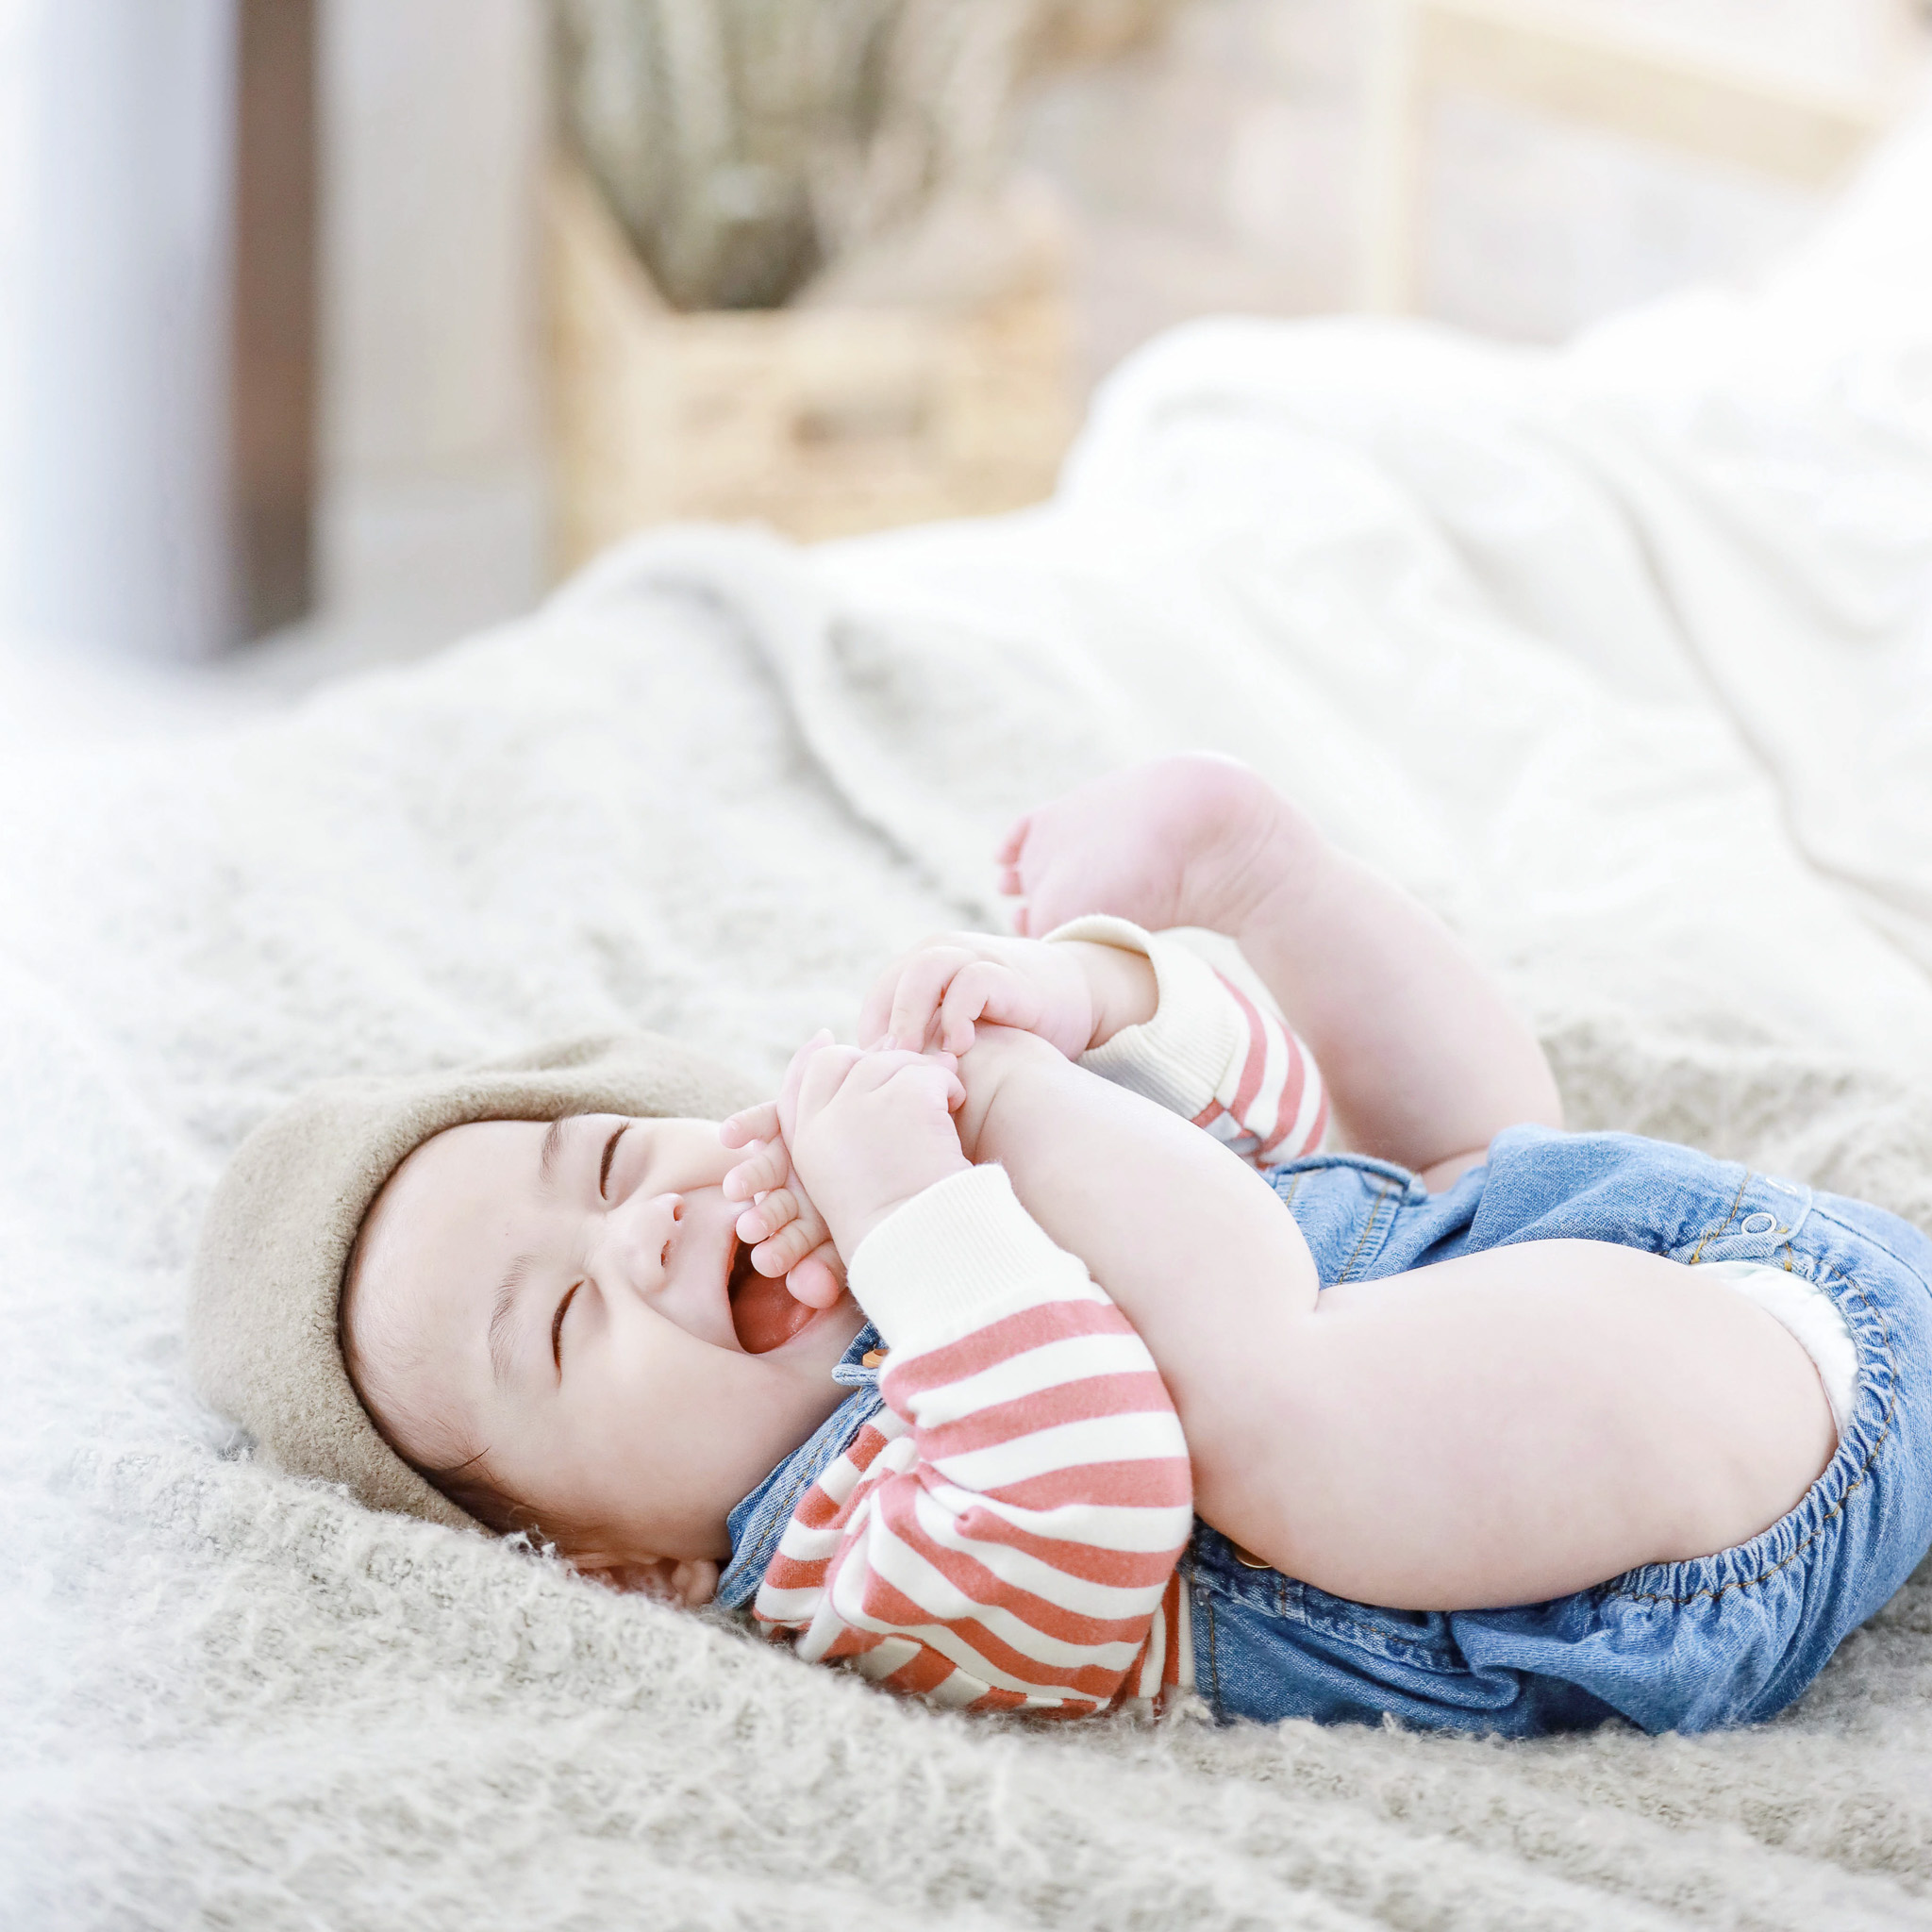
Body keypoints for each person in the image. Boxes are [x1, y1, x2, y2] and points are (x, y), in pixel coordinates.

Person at [190, 756, 1932, 1734]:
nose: (639, 1228)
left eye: (607, 1156)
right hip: (1701, 1503)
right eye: (561, 1327)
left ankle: (1266, 880)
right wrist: (988, 1127)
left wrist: (1085, 997)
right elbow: (1103, 1471)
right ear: (619, 1566)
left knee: (1427, 1165)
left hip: (1636, 1258)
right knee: (1280, 1419)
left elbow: (1247, 1146)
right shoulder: (860, 1570)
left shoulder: (907, 1217)